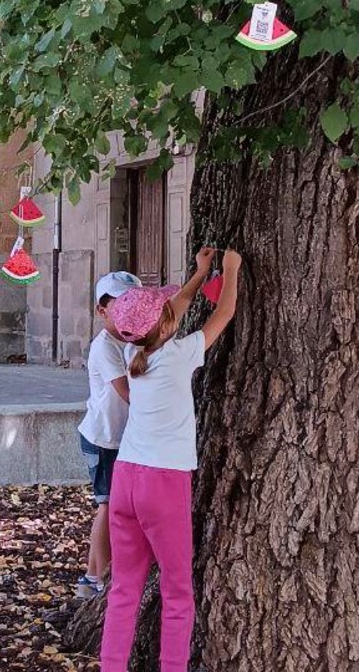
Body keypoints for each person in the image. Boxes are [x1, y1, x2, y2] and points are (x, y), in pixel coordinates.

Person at [99, 247, 243, 672]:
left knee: (124, 589)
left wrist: (199, 275)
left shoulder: (133, 353)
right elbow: (225, 313)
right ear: (164, 324)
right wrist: (229, 271)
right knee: (177, 592)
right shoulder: (179, 356)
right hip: (163, 483)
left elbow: (172, 310)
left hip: (126, 478)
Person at [75, 270, 143, 598]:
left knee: (117, 504)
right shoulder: (105, 346)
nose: (130, 309)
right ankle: (93, 576)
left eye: (136, 302)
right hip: (104, 439)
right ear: (103, 311)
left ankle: (95, 574)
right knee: (107, 504)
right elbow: (126, 391)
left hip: (122, 437)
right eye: (122, 303)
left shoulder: (132, 341)